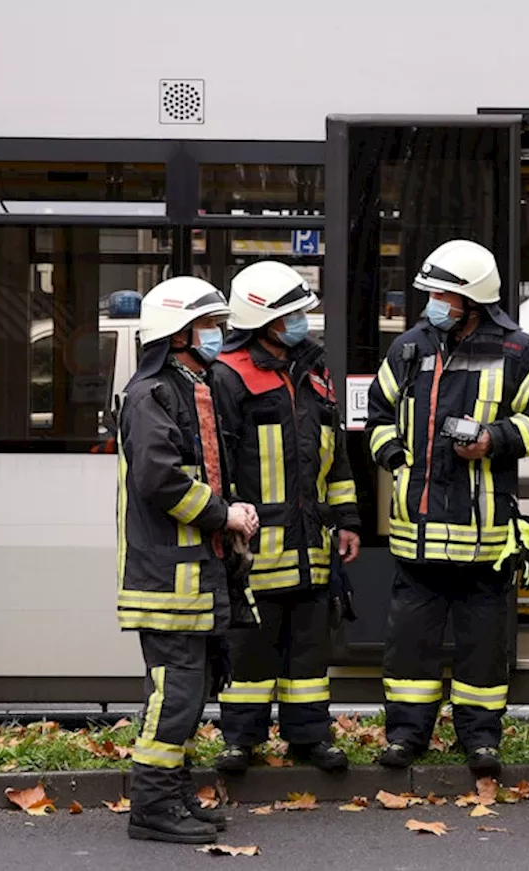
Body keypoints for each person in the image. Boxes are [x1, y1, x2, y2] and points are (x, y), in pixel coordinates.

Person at [365, 239, 529, 778]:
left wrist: (493, 440)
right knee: (410, 648)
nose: (431, 301)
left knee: (482, 650)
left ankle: (480, 741)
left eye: (441, 294)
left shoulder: (519, 352)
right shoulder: (408, 349)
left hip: (485, 537)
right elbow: (379, 412)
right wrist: (392, 454)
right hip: (417, 535)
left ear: (472, 300)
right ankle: (406, 736)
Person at [116, 276, 259, 843]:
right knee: (174, 697)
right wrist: (224, 515)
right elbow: (160, 479)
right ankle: (151, 809)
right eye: (208, 326)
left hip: (195, 576)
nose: (218, 335)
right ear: (178, 334)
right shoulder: (153, 394)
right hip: (166, 580)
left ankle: (172, 796)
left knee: (189, 696)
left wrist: (228, 516)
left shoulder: (188, 384)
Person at [210, 261, 361, 774]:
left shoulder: (314, 372)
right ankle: (241, 742)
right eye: (293, 313)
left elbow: (334, 455)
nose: (303, 320)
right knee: (251, 651)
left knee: (309, 658)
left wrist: (347, 520)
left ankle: (309, 740)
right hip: (255, 550)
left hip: (313, 546)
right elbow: (220, 463)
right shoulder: (228, 376)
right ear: (265, 320)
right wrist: (227, 524)